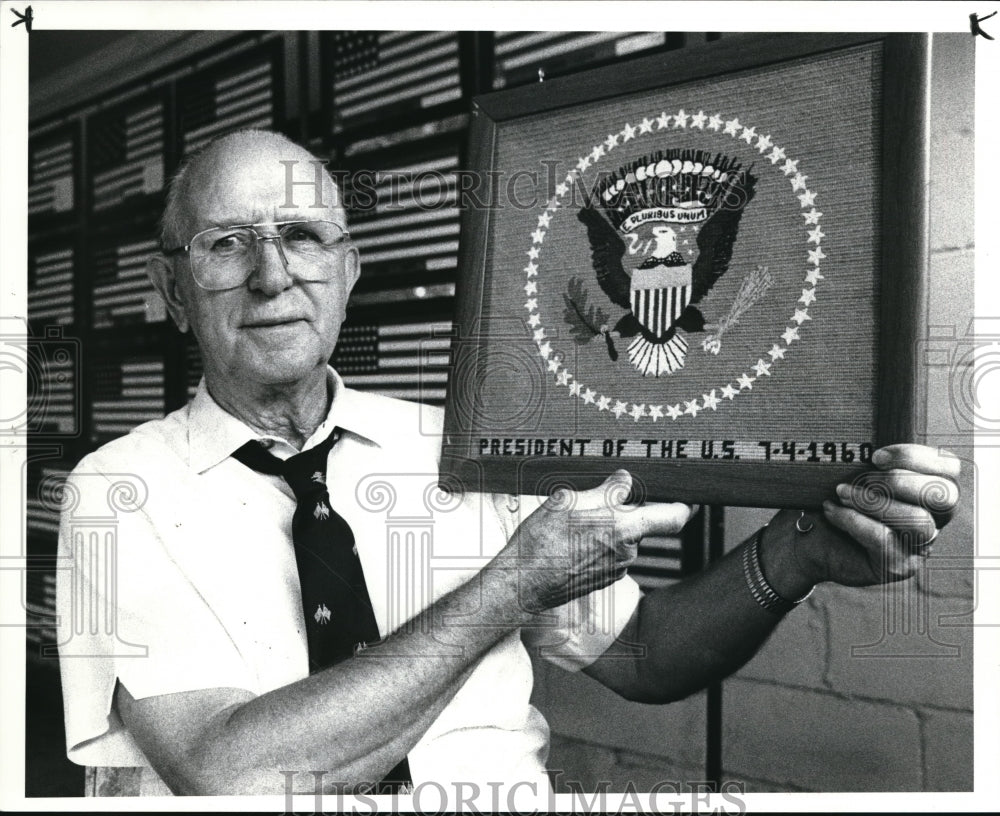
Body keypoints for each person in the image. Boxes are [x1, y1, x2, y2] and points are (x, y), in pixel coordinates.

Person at [56, 129, 960, 799]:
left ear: (348, 270)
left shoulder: (463, 447)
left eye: (302, 235)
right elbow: (234, 778)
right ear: (172, 290)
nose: (271, 275)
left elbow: (640, 653)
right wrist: (511, 585)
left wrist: (795, 553)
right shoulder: (117, 492)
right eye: (226, 243)